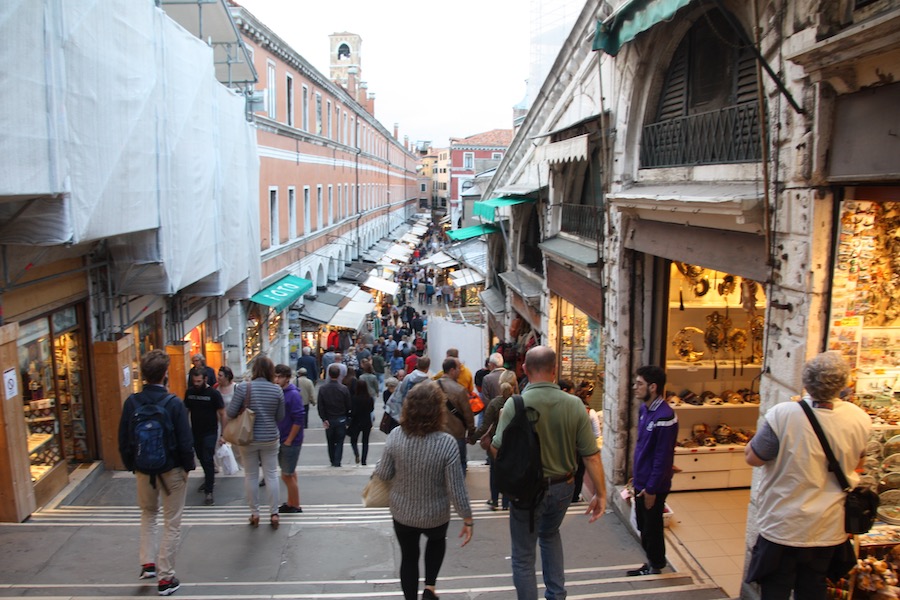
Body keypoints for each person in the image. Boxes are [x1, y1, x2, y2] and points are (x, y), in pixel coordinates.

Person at [744, 351, 870, 598]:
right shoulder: (859, 418)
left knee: (775, 589)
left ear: (806, 381)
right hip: (828, 527)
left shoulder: (783, 414)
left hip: (784, 525)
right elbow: (859, 463)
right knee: (813, 588)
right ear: (843, 384)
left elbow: (753, 457)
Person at [491, 346, 607, 600]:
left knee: (523, 555)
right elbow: (590, 455)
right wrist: (601, 494)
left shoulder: (515, 404)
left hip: (526, 491)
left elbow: (497, 449)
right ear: (555, 371)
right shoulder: (575, 404)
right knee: (550, 533)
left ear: (524, 369)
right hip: (563, 487)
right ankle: (556, 594)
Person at [374, 380, 473, 600]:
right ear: (438, 410)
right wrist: (467, 519)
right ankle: (429, 588)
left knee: (408, 557)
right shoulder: (446, 443)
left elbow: (383, 474)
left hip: (403, 512)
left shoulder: (396, 436)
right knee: (436, 543)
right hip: (436, 514)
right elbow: (456, 489)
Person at [118, 349, 195, 596]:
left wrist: (133, 465)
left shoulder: (131, 402)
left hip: (143, 469)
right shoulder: (173, 403)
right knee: (171, 523)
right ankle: (166, 577)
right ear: (165, 374)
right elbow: (185, 441)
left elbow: (123, 440)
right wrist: (187, 467)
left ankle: (147, 564)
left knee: (148, 515)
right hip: (172, 469)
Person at [627, 365, 678, 577]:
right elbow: (643, 447)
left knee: (652, 528)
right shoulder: (644, 410)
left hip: (651, 485)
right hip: (641, 481)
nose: (635, 387)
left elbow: (662, 456)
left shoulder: (665, 416)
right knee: (642, 524)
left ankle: (656, 565)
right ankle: (650, 561)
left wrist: (651, 488)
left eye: (639, 384)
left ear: (653, 387)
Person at [226, 356, 285, 529]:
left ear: (254, 370)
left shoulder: (243, 388)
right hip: (270, 437)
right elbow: (280, 416)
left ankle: (255, 513)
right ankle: (274, 513)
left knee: (251, 475)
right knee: (272, 474)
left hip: (248, 438)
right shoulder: (277, 390)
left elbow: (230, 412)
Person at [471, 370, 517, 511]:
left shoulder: (494, 403)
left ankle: (495, 500)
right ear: (514, 384)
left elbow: (485, 425)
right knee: (510, 471)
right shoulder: (519, 402)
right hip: (513, 443)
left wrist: (473, 438)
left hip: (495, 443)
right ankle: (507, 502)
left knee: (495, 471)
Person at [184, 367, 225, 506]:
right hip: (195, 432)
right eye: (194, 381)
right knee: (201, 457)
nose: (196, 384)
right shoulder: (189, 393)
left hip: (210, 432)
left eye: (199, 381)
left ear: (205, 380)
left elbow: (222, 413)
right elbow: (186, 411)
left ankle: (209, 490)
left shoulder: (213, 394)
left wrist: (223, 434)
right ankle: (208, 479)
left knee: (207, 458)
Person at [274, 364, 305, 514]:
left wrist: (289, 440)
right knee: (290, 473)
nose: (276, 379)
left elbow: (299, 419)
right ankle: (292, 502)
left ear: (287, 378)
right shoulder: (284, 392)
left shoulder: (292, 394)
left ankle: (295, 505)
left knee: (286, 475)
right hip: (285, 438)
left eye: (279, 376)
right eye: (275, 376)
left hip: (289, 440)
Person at [437, 357, 475, 474]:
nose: (460, 371)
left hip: (437, 434)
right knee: (460, 465)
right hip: (456, 435)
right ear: (452, 370)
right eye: (459, 368)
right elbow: (468, 415)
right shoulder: (459, 390)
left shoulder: (431, 387)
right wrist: (471, 432)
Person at [317, 364, 351, 467]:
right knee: (340, 441)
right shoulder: (344, 389)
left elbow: (320, 406)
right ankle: (337, 461)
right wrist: (347, 418)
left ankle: (332, 459)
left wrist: (324, 418)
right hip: (341, 418)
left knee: (330, 441)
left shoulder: (323, 389)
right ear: (339, 374)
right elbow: (348, 405)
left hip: (329, 419)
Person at [349, 379, 375, 465]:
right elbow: (371, 409)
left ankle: (356, 453)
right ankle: (364, 460)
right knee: (365, 442)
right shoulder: (369, 398)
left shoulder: (354, 398)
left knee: (353, 440)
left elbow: (353, 411)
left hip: (356, 421)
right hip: (366, 421)